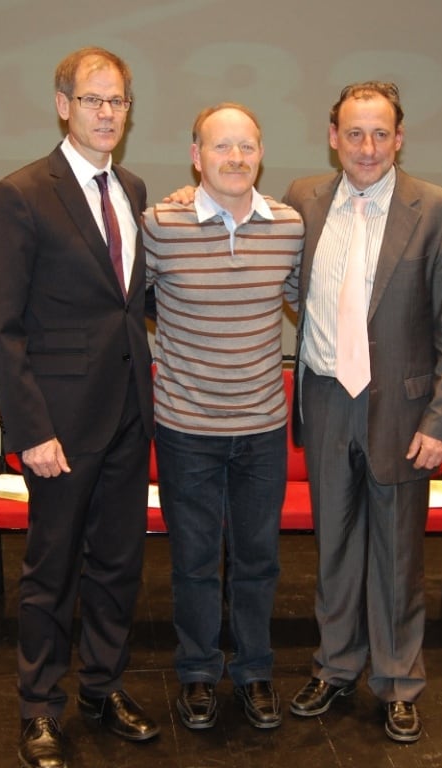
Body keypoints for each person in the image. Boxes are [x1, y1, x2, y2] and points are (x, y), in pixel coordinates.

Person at [0, 47, 159, 768]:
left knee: (118, 564)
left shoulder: (136, 189)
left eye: (116, 101)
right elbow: (4, 325)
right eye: (93, 100)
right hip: (58, 425)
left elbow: (131, 305)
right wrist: (31, 431)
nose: (106, 113)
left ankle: (101, 688)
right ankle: (39, 708)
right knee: (51, 572)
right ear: (63, 104)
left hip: (126, 414)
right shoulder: (21, 193)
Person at [284, 81, 442, 742]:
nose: (366, 147)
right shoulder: (300, 200)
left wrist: (439, 422)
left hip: (403, 410)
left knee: (396, 555)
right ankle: (335, 667)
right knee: (333, 548)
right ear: (332, 136)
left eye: (379, 133)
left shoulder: (440, 210)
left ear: (398, 138)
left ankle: (395, 680)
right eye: (353, 133)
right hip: (326, 397)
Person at [143, 103, 303, 731]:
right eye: (221, 147)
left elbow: (303, 301)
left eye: (247, 147)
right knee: (193, 561)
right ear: (196, 155)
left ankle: (256, 671)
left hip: (263, 428)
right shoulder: (160, 223)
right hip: (185, 428)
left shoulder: (289, 226)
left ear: (261, 154)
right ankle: (199, 674)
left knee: (260, 558)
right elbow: (134, 301)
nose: (235, 158)